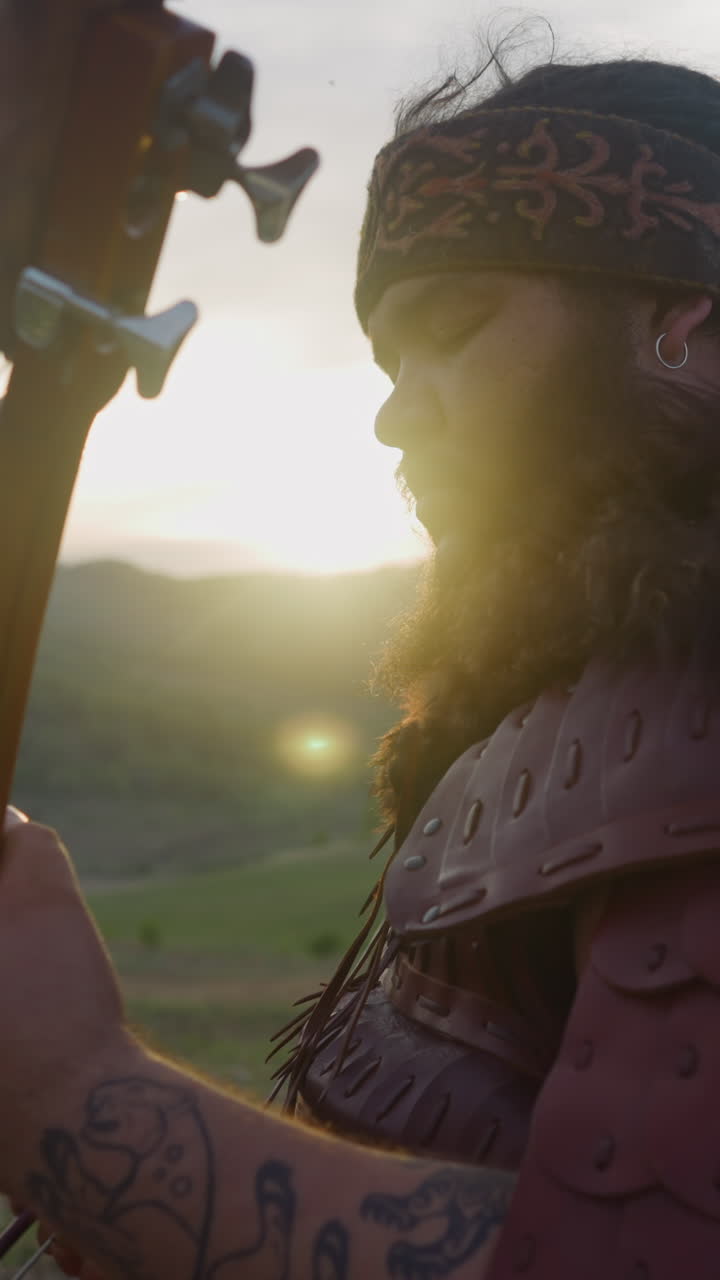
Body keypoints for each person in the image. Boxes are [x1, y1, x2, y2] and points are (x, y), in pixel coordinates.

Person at [5, 39, 720, 1280]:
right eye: (391, 361)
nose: (395, 408)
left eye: (453, 326)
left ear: (685, 326)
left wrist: (75, 1088)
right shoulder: (570, 707)